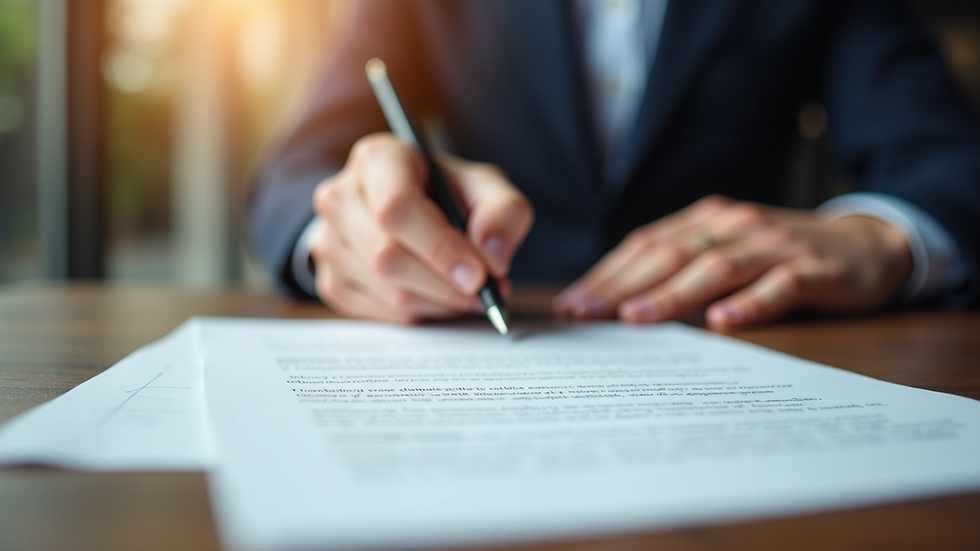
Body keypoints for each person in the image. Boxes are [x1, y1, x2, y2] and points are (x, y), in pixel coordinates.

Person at [250, 0, 980, 329]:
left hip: (729, 337)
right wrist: (341, 229)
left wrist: (887, 237)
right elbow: (298, 167)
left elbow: (948, 158)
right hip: (479, 329)